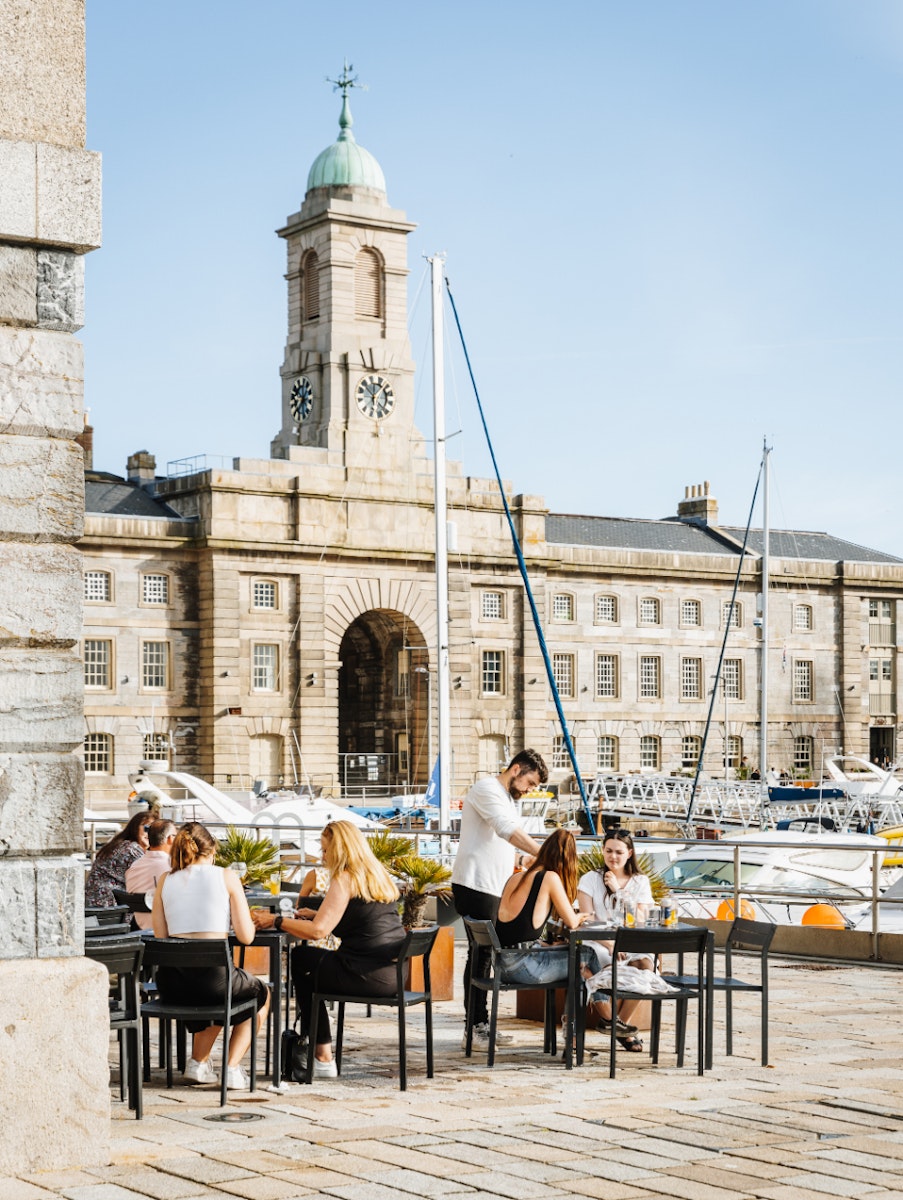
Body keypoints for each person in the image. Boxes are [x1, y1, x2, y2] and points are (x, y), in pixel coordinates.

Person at [251, 821, 405, 1080]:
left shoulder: (345, 877)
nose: (322, 856)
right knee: (311, 965)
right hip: (392, 975)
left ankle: (323, 1055)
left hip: (364, 973)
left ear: (340, 850)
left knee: (302, 960)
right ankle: (321, 1055)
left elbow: (318, 932)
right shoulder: (375, 874)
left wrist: (274, 921)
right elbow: (359, 918)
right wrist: (316, 913)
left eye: (325, 850)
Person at [151, 822, 270, 1091]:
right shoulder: (226, 876)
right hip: (213, 983)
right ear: (212, 850)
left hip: (172, 984)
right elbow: (246, 937)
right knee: (259, 994)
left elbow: (161, 935)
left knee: (220, 988)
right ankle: (231, 1068)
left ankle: (198, 1064)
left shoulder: (165, 881)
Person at [450, 748, 547, 1047]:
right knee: (479, 956)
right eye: (530, 783)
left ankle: (481, 1024)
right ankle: (476, 1026)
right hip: (475, 885)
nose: (530, 791)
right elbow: (506, 830)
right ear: (516, 769)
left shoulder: (506, 797)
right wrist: (544, 853)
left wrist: (520, 859)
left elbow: (498, 841)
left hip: (493, 887)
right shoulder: (486, 789)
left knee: (485, 957)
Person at [576, 828, 655, 1052]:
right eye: (609, 851)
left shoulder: (640, 882)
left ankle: (618, 1024)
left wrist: (618, 890)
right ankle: (621, 1030)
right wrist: (610, 944)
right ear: (603, 851)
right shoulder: (590, 879)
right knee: (599, 966)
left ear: (629, 853)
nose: (613, 857)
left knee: (646, 968)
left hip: (631, 941)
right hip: (599, 942)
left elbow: (639, 919)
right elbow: (587, 920)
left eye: (619, 852)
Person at [494, 828, 593, 986]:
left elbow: (517, 930)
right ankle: (607, 1010)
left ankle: (569, 1012)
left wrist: (547, 945)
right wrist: (583, 915)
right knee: (588, 955)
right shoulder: (550, 877)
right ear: (568, 859)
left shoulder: (517, 877)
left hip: (502, 966)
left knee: (570, 953)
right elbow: (572, 923)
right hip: (525, 968)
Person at [85, 811, 149, 907]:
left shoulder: (120, 844)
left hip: (96, 904)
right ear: (135, 828)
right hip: (109, 908)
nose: (150, 833)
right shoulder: (131, 850)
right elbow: (149, 878)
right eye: (146, 828)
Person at [124, 818, 176, 929]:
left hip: (141, 931)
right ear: (170, 839)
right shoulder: (173, 867)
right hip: (168, 931)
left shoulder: (134, 867)